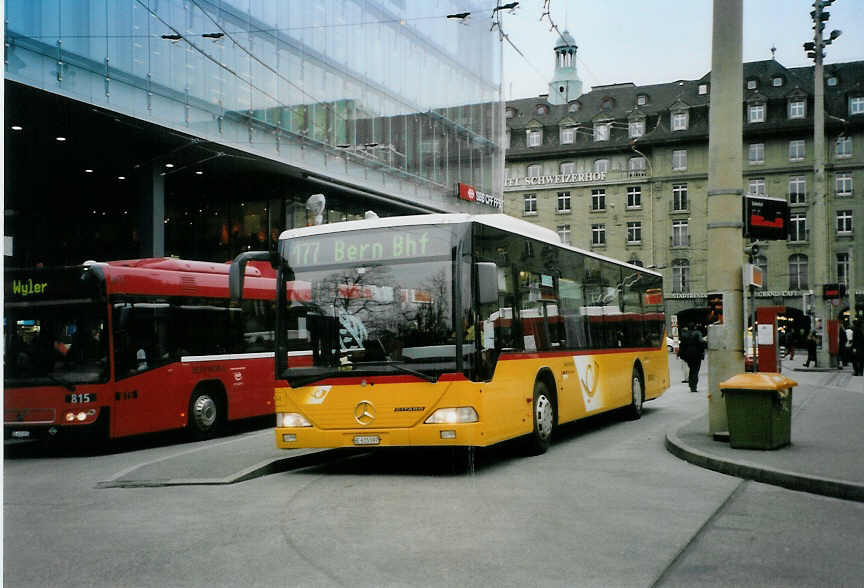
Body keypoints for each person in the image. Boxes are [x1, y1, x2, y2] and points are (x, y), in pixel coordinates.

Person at [680, 324, 705, 393]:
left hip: (688, 355)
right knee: (695, 370)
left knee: (691, 369)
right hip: (697, 355)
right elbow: (702, 343)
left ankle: (691, 385)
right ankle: (694, 386)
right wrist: (702, 353)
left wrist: (682, 355)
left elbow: (682, 345)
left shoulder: (685, 334)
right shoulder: (698, 333)